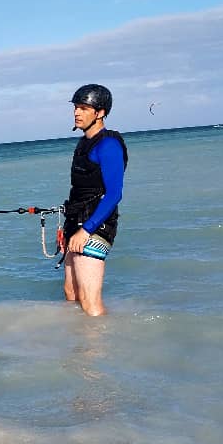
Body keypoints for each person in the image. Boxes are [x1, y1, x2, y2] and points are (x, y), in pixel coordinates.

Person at [62, 84, 128, 316]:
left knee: (91, 303)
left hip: (95, 226)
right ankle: (79, 345)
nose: (77, 113)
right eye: (76, 108)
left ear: (100, 113)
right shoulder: (83, 143)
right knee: (71, 294)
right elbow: (81, 190)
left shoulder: (108, 145)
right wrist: (70, 228)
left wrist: (86, 230)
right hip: (76, 222)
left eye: (83, 108)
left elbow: (114, 194)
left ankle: (99, 350)